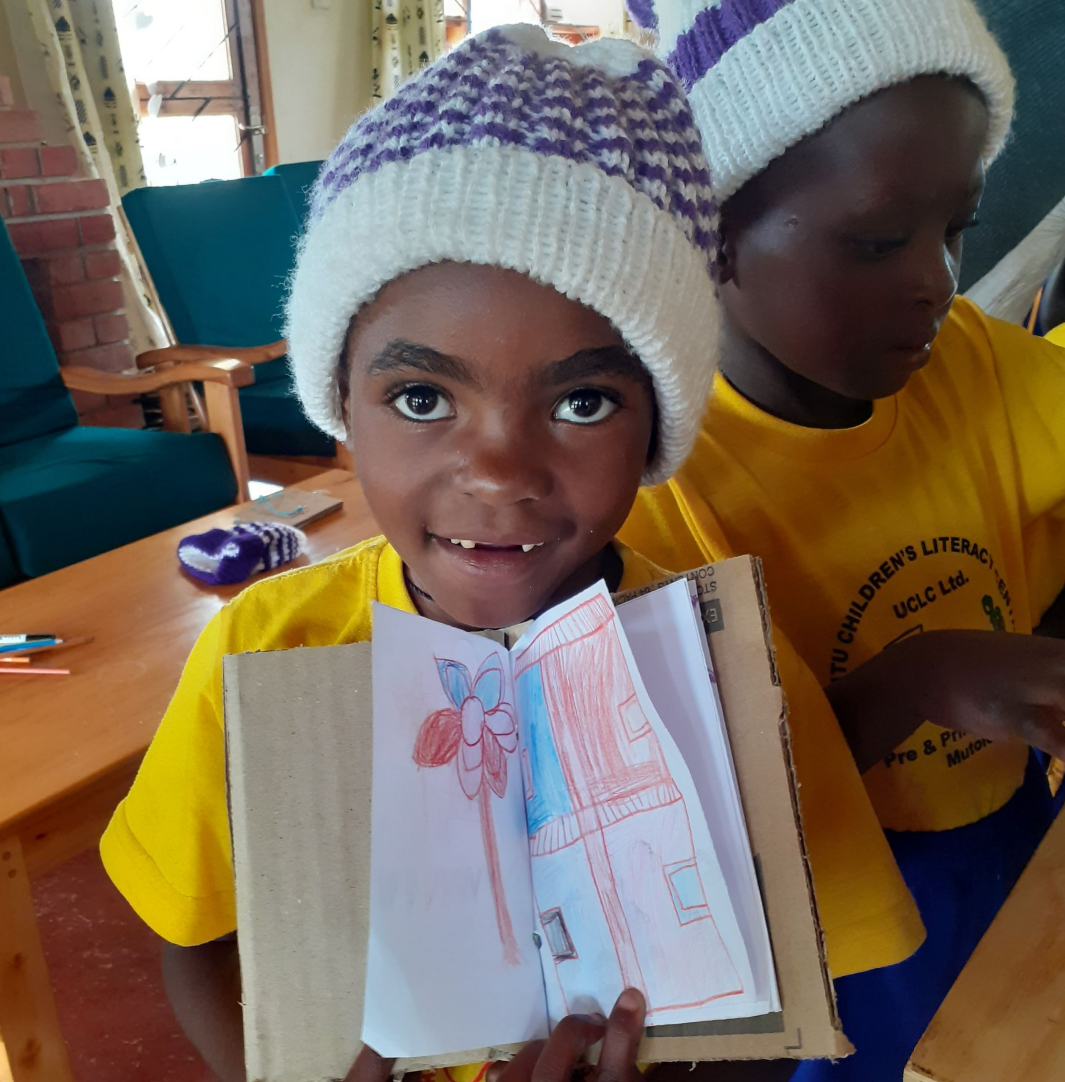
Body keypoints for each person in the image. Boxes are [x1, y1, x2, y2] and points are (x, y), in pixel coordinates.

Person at [99, 25, 918, 1082]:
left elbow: (788, 1000)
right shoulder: (267, 648)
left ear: (657, 424)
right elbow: (197, 948)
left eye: (582, 402)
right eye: (420, 397)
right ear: (340, 403)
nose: (497, 474)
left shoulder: (724, 670)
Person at [619, 1, 1065, 1079]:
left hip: (1004, 842)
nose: (937, 281)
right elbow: (698, 829)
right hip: (827, 917)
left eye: (955, 228)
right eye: (875, 241)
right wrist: (915, 680)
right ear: (712, 234)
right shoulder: (647, 486)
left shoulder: (975, 366)